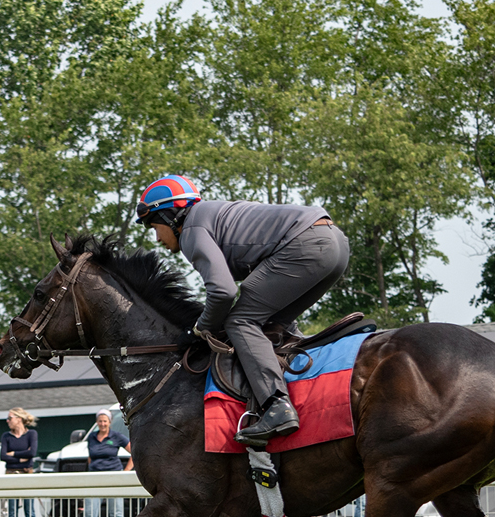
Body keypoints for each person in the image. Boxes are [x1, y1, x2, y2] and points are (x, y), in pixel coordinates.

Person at [135, 175, 350, 445]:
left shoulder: (191, 230)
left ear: (168, 217)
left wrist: (201, 329)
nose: (157, 238)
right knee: (274, 325)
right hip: (336, 246)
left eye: (153, 227)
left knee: (240, 322)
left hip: (305, 244)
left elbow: (223, 292)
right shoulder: (210, 216)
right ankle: (307, 389)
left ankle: (276, 405)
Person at [81, 409, 134, 517]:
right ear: (97, 422)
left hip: (113, 478)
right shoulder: (91, 437)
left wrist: (125, 472)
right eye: (100, 421)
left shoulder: (116, 436)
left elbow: (134, 453)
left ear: (109, 422)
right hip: (94, 479)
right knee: (90, 514)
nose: (102, 423)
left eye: (105, 421)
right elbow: (90, 457)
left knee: (116, 514)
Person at [0, 408, 40, 517]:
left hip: (26, 473)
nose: (8, 421)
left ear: (19, 419)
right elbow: (3, 456)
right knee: (12, 512)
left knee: (30, 512)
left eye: (10, 418)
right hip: (11, 474)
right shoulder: (6, 436)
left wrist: (13, 454)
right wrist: (21, 457)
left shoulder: (32, 434)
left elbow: (32, 453)